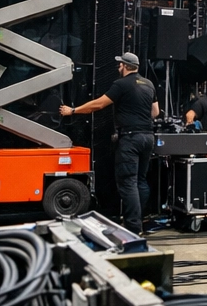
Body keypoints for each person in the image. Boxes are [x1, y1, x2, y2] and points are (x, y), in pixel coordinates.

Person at [61, 52, 158, 234]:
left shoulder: (121, 84)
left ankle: (133, 228)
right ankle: (140, 218)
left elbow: (98, 105)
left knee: (128, 182)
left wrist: (73, 110)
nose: (118, 67)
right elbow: (155, 112)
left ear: (126, 66)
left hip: (130, 138)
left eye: (120, 64)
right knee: (141, 181)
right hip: (148, 137)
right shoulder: (149, 84)